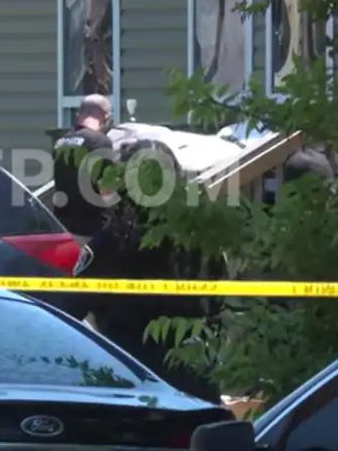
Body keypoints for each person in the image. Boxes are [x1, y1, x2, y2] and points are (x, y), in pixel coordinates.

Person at [63, 138, 223, 403]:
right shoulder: (205, 241)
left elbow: (69, 311)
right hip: (197, 382)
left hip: (132, 383)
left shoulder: (112, 243)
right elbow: (220, 303)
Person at [52, 94, 116, 244]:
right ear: (105, 116)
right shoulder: (100, 142)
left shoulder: (61, 142)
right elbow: (105, 189)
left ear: (79, 114)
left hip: (63, 226)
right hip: (91, 228)